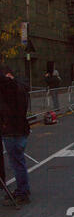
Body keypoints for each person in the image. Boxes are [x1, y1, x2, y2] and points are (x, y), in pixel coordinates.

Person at [0, 64, 31, 206]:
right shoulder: (21, 86)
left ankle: (22, 192)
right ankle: (23, 189)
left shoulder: (9, 88)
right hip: (22, 128)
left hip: (12, 130)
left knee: (16, 162)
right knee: (20, 161)